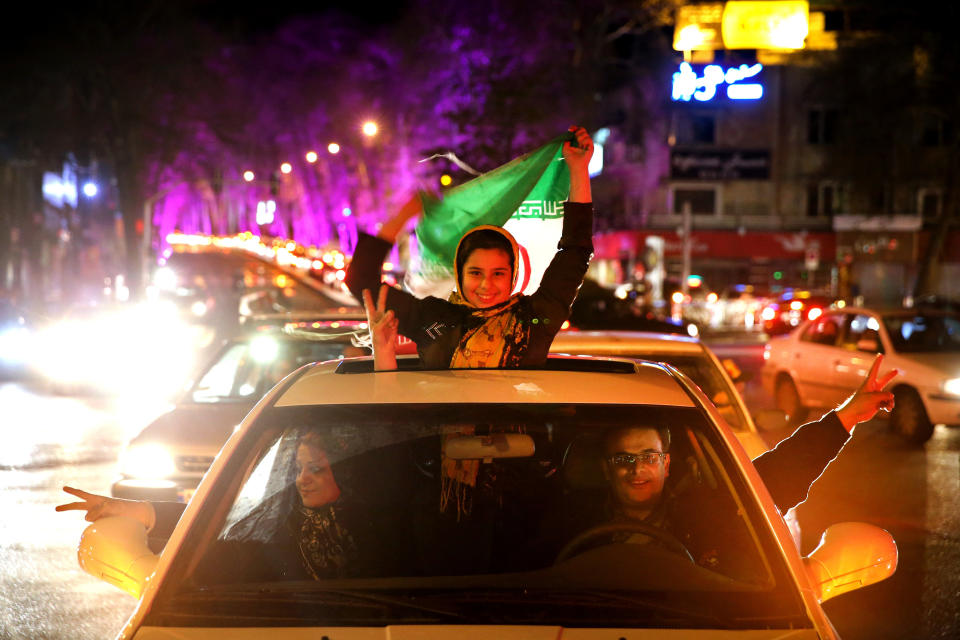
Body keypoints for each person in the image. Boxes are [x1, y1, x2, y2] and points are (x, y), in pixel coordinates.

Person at [563, 354, 899, 577]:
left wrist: (847, 417)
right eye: (624, 459)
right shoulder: (571, 526)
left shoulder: (709, 514)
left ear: (666, 465)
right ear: (607, 469)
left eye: (648, 457)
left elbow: (778, 475)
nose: (637, 470)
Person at [346, 126, 595, 370]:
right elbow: (361, 281)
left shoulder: (534, 320)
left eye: (498, 273)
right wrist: (402, 217)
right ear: (460, 273)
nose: (486, 285)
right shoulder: (434, 319)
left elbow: (576, 252)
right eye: (476, 273)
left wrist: (578, 169)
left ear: (513, 275)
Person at [57, 431, 379, 580]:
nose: (301, 479)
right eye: (297, 469)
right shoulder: (278, 523)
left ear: (346, 472)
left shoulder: (383, 526)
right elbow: (211, 521)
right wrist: (128, 509)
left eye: (316, 469)